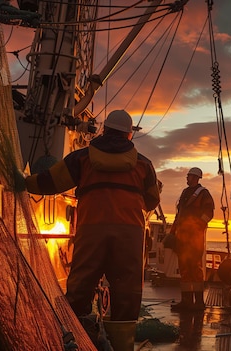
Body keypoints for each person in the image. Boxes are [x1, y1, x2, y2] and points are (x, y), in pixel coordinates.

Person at [25, 110, 161, 351]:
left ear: (105, 130)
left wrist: (24, 181)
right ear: (129, 135)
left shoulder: (82, 159)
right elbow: (151, 200)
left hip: (92, 230)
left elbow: (48, 182)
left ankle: (78, 340)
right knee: (127, 292)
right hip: (129, 236)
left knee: (80, 287)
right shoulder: (144, 164)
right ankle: (121, 346)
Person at [170, 167, 214, 311]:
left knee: (195, 268)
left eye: (189, 176)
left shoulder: (203, 194)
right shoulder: (185, 193)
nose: (187, 178)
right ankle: (186, 302)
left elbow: (209, 212)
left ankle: (199, 303)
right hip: (182, 237)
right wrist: (173, 232)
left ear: (196, 178)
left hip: (194, 238)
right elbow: (180, 214)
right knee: (184, 268)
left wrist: (198, 226)